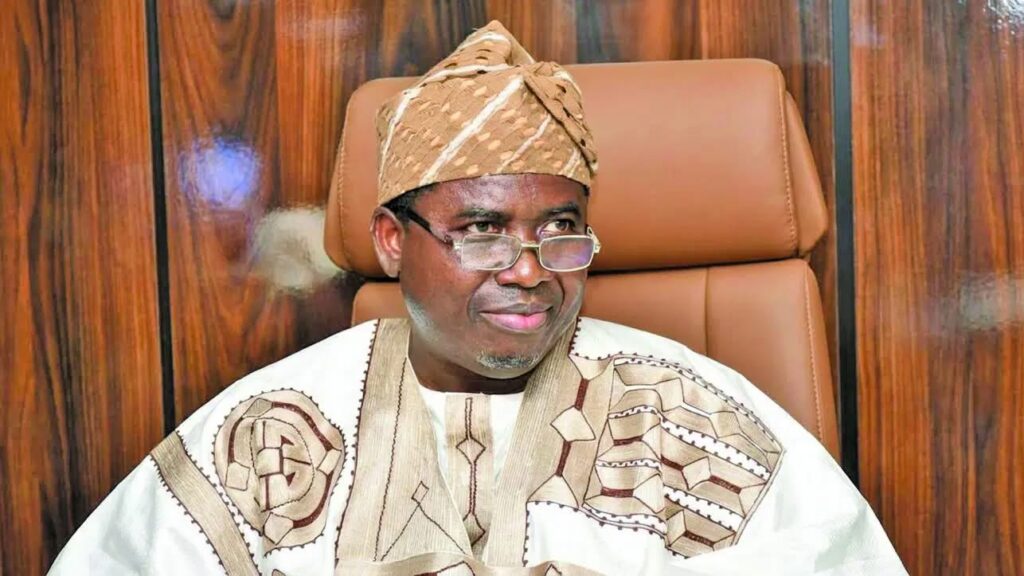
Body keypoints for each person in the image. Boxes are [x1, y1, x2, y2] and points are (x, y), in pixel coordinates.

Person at [50, 21, 906, 575]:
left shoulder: (690, 418)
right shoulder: (275, 428)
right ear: (393, 241)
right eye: (482, 230)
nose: (530, 272)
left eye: (560, 229)